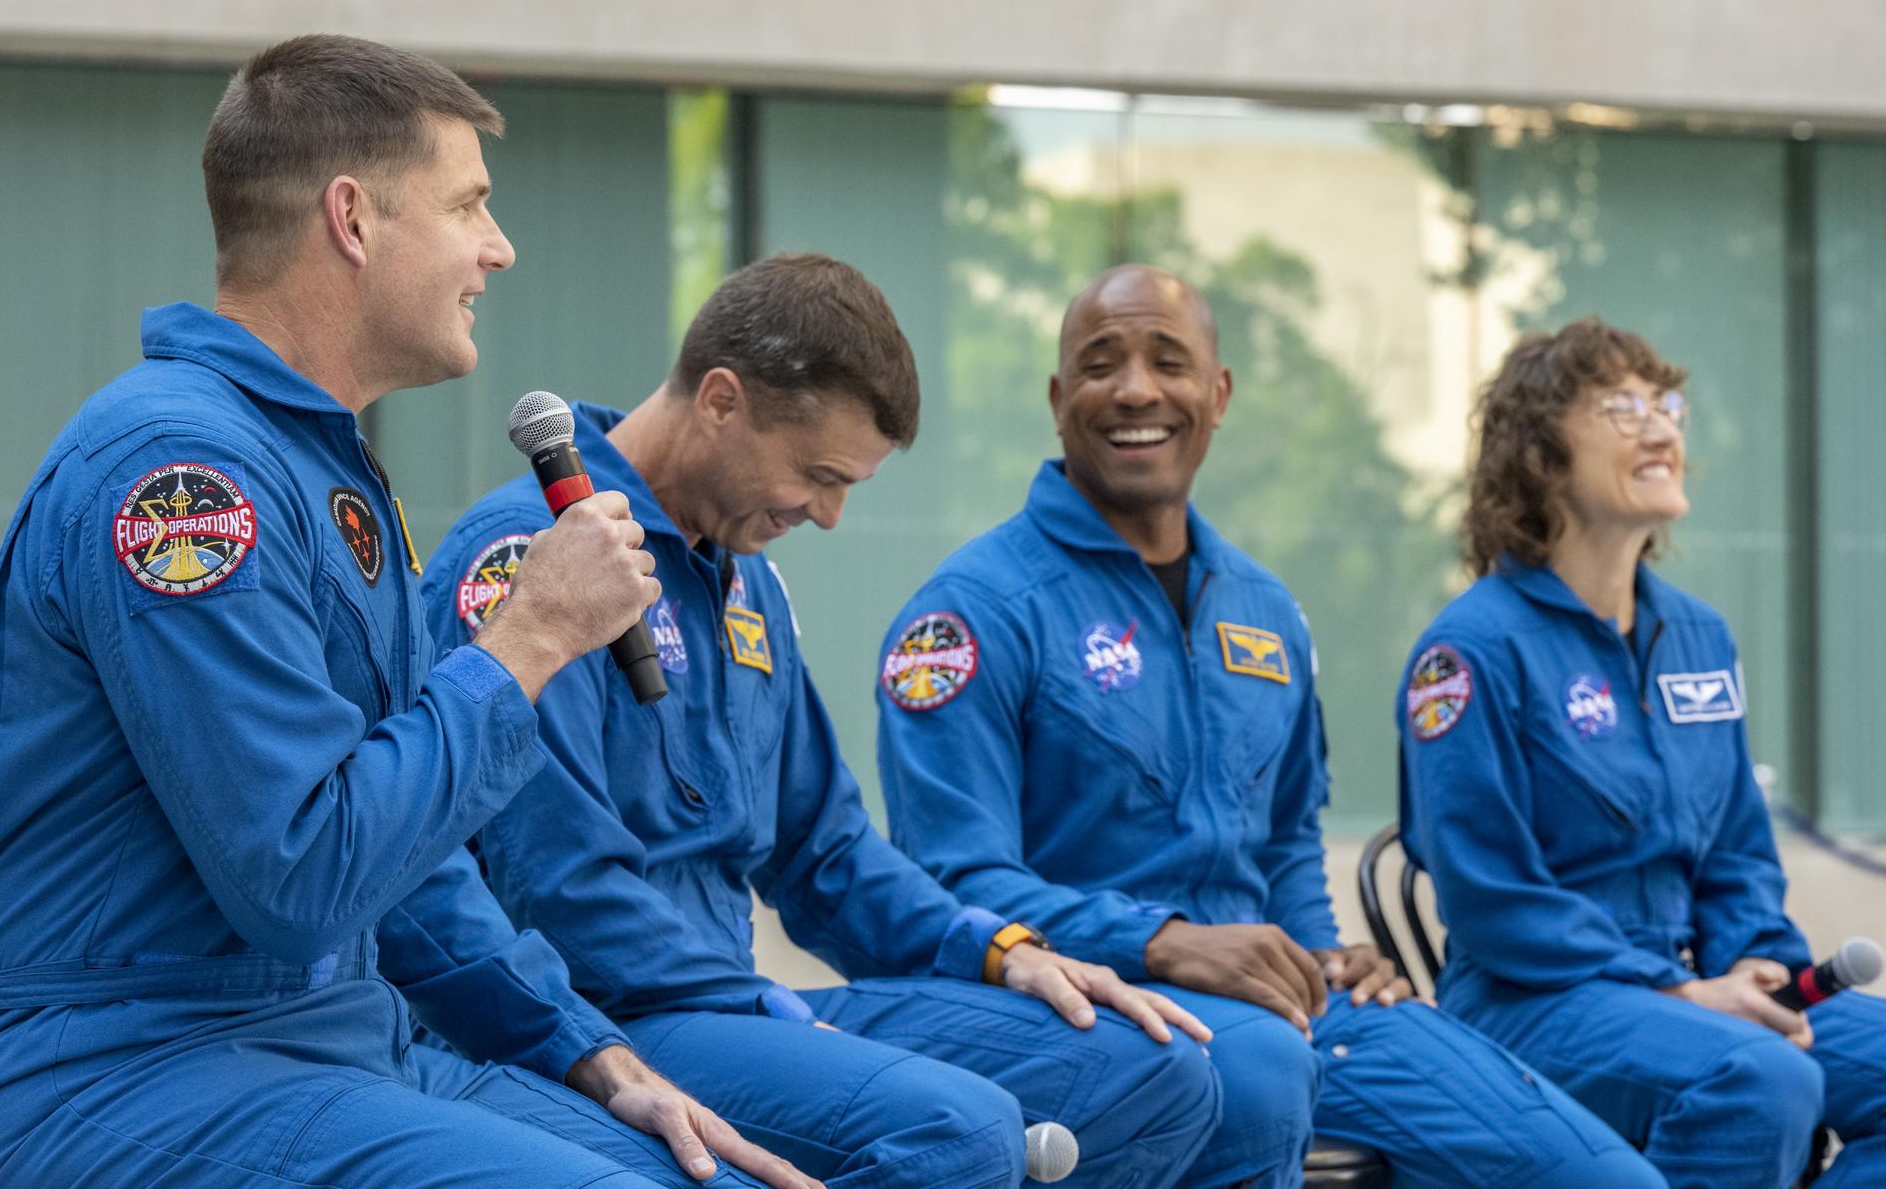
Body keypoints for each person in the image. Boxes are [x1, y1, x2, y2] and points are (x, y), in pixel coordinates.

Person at [0, 34, 815, 1189]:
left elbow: (403, 866)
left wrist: (587, 1049)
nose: (499, 248)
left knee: (691, 1163)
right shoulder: (181, 479)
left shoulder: (314, 468)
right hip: (128, 1060)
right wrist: (528, 638)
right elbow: (302, 873)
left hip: (324, 1038)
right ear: (355, 220)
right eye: (469, 204)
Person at [422, 252, 1227, 1189]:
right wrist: (766, 1006)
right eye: (819, 475)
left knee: (1161, 1072)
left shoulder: (746, 576)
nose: (833, 516)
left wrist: (996, 949)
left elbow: (826, 853)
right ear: (721, 399)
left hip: (739, 1003)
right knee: (959, 1132)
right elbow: (555, 890)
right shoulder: (533, 558)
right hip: (606, 1019)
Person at [876, 264, 1669, 1189]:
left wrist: (1323, 951)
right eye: (1100, 365)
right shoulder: (970, 614)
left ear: (1218, 396)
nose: (1135, 389)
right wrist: (1163, 942)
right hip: (1100, 1014)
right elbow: (954, 883)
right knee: (1260, 1075)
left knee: (1602, 1179)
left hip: (1296, 1015)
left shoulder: (1264, 610)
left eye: (1168, 362)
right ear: (1059, 400)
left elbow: (1286, 835)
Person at [1396, 319, 1886, 1188]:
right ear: (1541, 454)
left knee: (1801, 1059)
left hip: (1694, 986)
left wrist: (1754, 962)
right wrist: (1676, 990)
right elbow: (1491, 898)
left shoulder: (1700, 636)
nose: (1662, 428)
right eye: (1621, 407)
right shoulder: (1469, 650)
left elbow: (1736, 848)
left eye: (1666, 403)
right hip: (1532, 1001)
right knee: (1759, 1077)